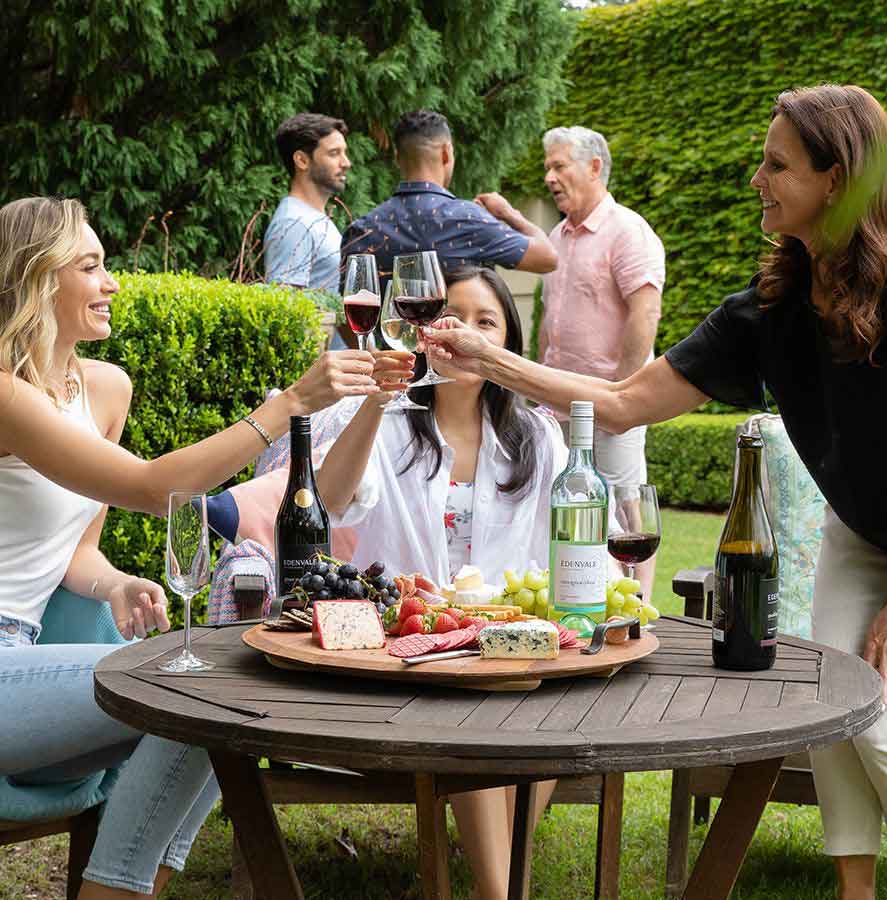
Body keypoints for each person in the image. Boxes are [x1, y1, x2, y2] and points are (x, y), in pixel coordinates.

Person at [425, 84, 887, 900]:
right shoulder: (766, 312)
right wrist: (488, 358)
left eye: (776, 163)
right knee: (837, 707)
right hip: (861, 534)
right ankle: (855, 891)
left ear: (837, 178)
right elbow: (620, 402)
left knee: (885, 731)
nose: (757, 177)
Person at [0, 196, 379, 899]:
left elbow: (76, 547)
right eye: (90, 265)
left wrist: (112, 583)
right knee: (203, 688)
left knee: (218, 700)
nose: (112, 281)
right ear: (34, 278)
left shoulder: (105, 389)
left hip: (24, 657)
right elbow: (152, 488)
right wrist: (285, 406)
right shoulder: (4, 394)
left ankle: (122, 889)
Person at [315, 267, 569, 900]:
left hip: (508, 653)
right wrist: (376, 397)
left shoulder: (538, 439)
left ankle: (497, 883)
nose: (466, 333)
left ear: (507, 343)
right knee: (477, 720)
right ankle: (500, 889)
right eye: (452, 317)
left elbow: (565, 562)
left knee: (557, 712)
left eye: (487, 322)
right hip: (406, 652)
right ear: (424, 331)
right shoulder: (390, 423)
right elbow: (329, 501)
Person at [540, 126, 665, 598]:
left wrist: (623, 395)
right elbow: (551, 324)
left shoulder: (628, 230)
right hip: (560, 404)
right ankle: (581, 595)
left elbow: (646, 311)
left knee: (625, 504)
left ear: (594, 167)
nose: (550, 176)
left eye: (559, 165)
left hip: (614, 402)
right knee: (571, 507)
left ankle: (637, 607)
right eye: (547, 167)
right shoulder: (558, 235)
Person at [341, 109, 557, 291]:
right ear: (446, 153)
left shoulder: (362, 229)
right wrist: (510, 214)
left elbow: (346, 309)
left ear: (398, 158)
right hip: (454, 342)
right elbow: (548, 257)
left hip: (385, 341)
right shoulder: (468, 219)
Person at [264, 112, 355, 347]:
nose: (346, 162)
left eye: (344, 153)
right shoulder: (293, 223)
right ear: (302, 160)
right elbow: (288, 316)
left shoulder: (314, 218)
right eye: (334, 153)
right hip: (323, 377)